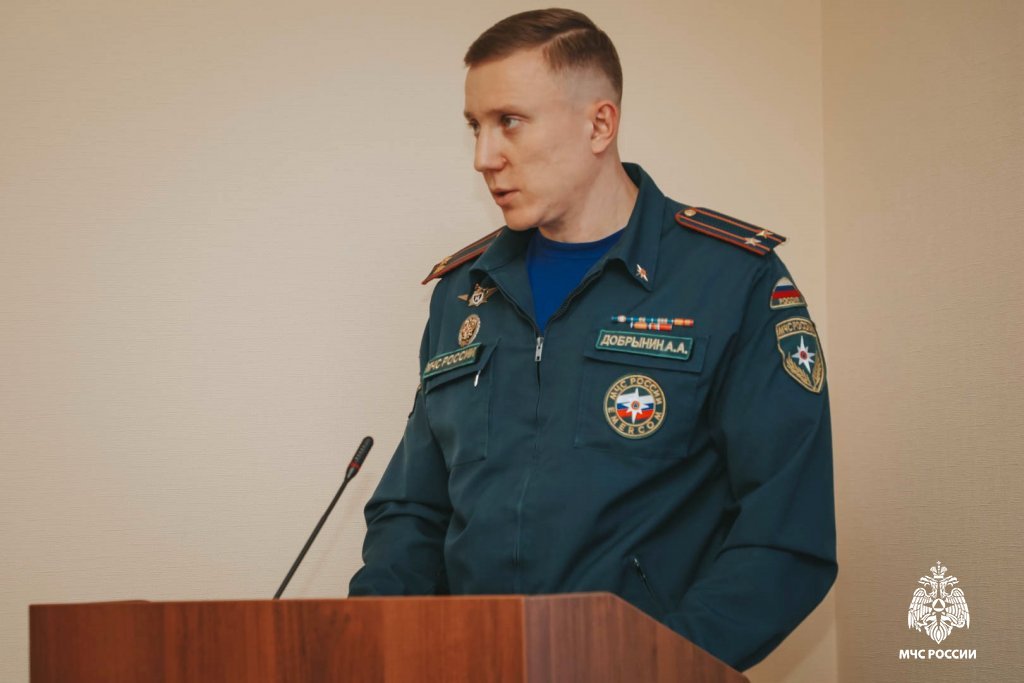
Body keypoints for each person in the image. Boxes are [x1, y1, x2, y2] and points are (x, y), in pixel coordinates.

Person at [349, 8, 836, 671]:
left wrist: (656, 665)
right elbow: (413, 510)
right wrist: (375, 647)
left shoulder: (731, 281)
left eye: (509, 121)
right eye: (475, 127)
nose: (484, 157)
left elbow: (785, 534)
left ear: (599, 124)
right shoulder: (465, 290)